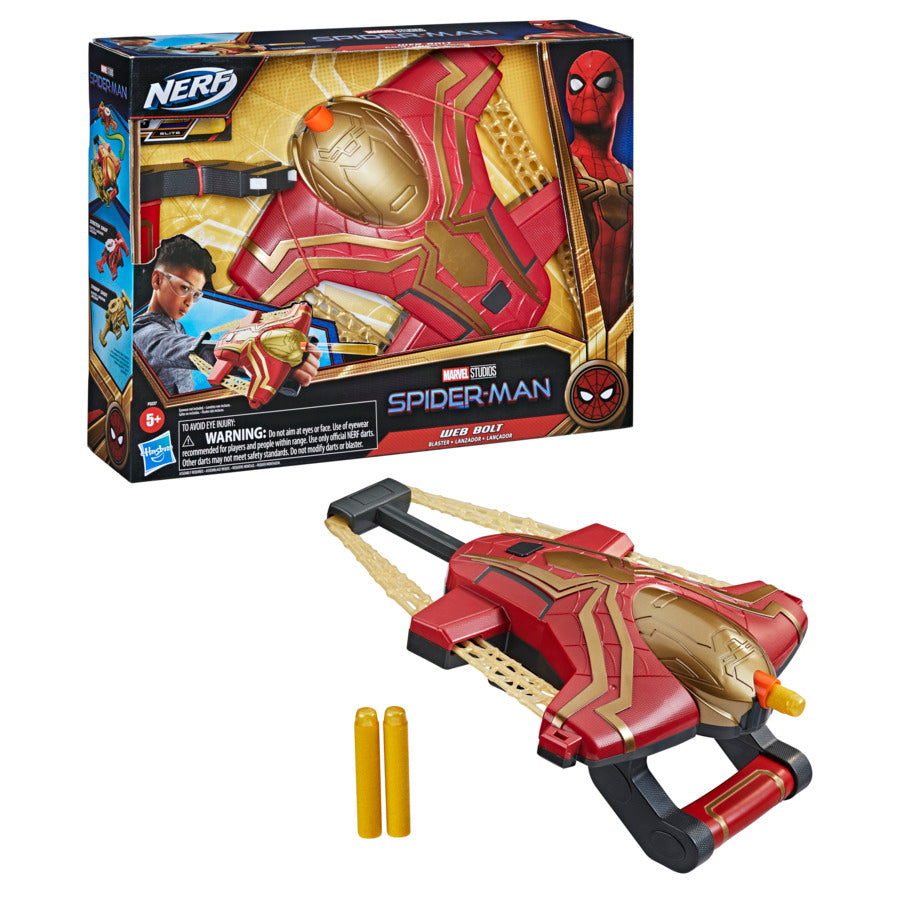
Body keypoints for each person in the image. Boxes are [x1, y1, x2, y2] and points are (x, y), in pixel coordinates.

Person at [134, 235, 320, 397]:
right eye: (184, 288)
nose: (189, 301)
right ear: (157, 280)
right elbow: (188, 349)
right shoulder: (146, 335)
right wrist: (264, 357)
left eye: (196, 294)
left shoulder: (175, 326)